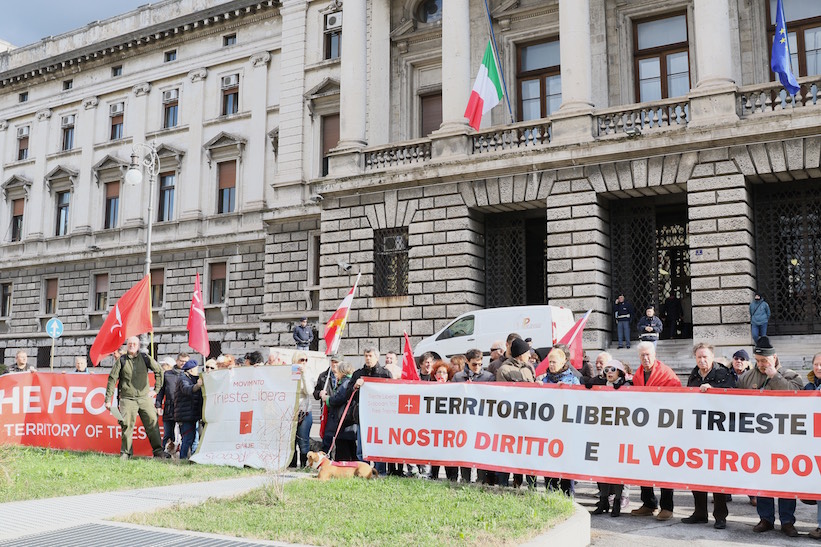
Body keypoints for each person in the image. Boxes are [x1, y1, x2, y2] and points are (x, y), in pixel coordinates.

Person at [738, 336, 804, 537]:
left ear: (774, 358)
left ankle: (787, 521)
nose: (760, 364)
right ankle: (765, 518)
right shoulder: (747, 377)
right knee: (762, 479)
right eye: (757, 361)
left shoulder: (792, 375)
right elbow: (735, 402)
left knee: (785, 481)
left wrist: (774, 376)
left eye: (764, 361)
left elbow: (796, 396)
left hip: (785, 440)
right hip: (758, 439)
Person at [682, 343, 736, 529]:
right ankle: (700, 512)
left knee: (716, 476)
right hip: (697, 431)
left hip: (718, 432)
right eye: (699, 357)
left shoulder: (723, 374)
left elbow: (733, 395)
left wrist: (712, 389)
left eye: (705, 357)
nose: (702, 360)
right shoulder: (694, 374)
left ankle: (720, 516)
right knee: (696, 473)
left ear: (712, 357)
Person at [630, 341, 680, 520]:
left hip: (663, 428)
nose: (645, 358)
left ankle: (667, 507)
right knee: (644, 465)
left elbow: (677, 397)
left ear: (654, 354)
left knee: (664, 467)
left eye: (648, 354)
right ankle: (649, 502)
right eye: (642, 355)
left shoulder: (666, 373)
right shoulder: (637, 374)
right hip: (644, 427)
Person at [104, 336, 165, 460]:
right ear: (127, 345)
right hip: (127, 398)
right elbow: (112, 379)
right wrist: (108, 399)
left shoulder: (145, 358)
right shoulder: (121, 360)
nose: (132, 345)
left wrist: (156, 390)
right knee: (126, 425)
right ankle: (126, 453)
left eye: (134, 344)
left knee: (152, 422)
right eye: (130, 343)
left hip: (144, 398)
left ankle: (158, 451)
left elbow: (159, 371)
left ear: (138, 346)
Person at [586, 360, 631, 516]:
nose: (610, 372)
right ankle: (604, 501)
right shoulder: (601, 385)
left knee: (616, 469)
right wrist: (590, 383)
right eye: (607, 370)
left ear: (620, 372)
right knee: (602, 467)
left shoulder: (628, 386)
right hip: (603, 432)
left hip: (620, 433)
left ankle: (617, 501)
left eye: (613, 369)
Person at [495, 338, 534, 487]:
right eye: (527, 353)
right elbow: (502, 393)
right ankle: (503, 485)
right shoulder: (504, 370)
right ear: (520, 354)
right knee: (507, 454)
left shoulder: (528, 368)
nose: (530, 355)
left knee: (525, 454)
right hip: (509, 420)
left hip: (526, 420)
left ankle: (524, 485)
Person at [452, 348, 494, 483]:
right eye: (474, 364)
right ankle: (465, 479)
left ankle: (481, 480)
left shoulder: (488, 377)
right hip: (463, 420)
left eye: (480, 364)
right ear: (467, 362)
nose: (477, 367)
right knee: (464, 449)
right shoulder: (458, 377)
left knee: (480, 449)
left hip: (481, 421)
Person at [352, 347, 392, 474]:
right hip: (362, 417)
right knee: (361, 447)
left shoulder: (385, 374)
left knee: (379, 447)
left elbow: (391, 395)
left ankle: (380, 472)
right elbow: (349, 393)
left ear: (376, 357)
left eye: (370, 356)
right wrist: (355, 386)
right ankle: (363, 472)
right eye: (366, 356)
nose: (368, 358)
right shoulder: (358, 374)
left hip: (380, 418)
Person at [319, 361, 357, 461]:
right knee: (350, 447)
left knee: (343, 450)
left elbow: (339, 398)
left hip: (343, 420)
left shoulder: (345, 383)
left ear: (341, 371)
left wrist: (327, 399)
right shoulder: (349, 381)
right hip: (347, 421)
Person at [289, 350, 316, 468]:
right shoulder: (289, 371)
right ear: (295, 361)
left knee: (303, 440)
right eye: (301, 360)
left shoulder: (308, 372)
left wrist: (304, 375)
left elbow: (309, 391)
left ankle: (304, 465)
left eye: (306, 360)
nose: (304, 362)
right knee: (291, 441)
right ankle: (292, 464)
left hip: (305, 411)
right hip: (291, 411)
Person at [175, 360, 203, 460]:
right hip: (185, 415)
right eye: (196, 369)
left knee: (194, 439)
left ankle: (193, 459)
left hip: (191, 414)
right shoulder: (183, 379)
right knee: (187, 438)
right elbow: (187, 389)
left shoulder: (191, 378)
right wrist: (197, 386)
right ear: (191, 370)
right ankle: (183, 459)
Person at [314, 354, 341, 453]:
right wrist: (319, 393)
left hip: (339, 412)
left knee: (339, 440)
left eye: (337, 362)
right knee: (327, 438)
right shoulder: (323, 376)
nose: (334, 364)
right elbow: (315, 392)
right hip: (327, 412)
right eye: (333, 362)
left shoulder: (344, 377)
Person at [155, 356, 180, 454]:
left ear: (169, 365)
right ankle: (165, 454)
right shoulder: (165, 375)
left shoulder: (183, 374)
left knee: (181, 435)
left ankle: (180, 454)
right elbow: (161, 391)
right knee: (168, 434)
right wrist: (158, 405)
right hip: (169, 408)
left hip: (181, 408)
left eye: (163, 365)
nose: (162, 367)